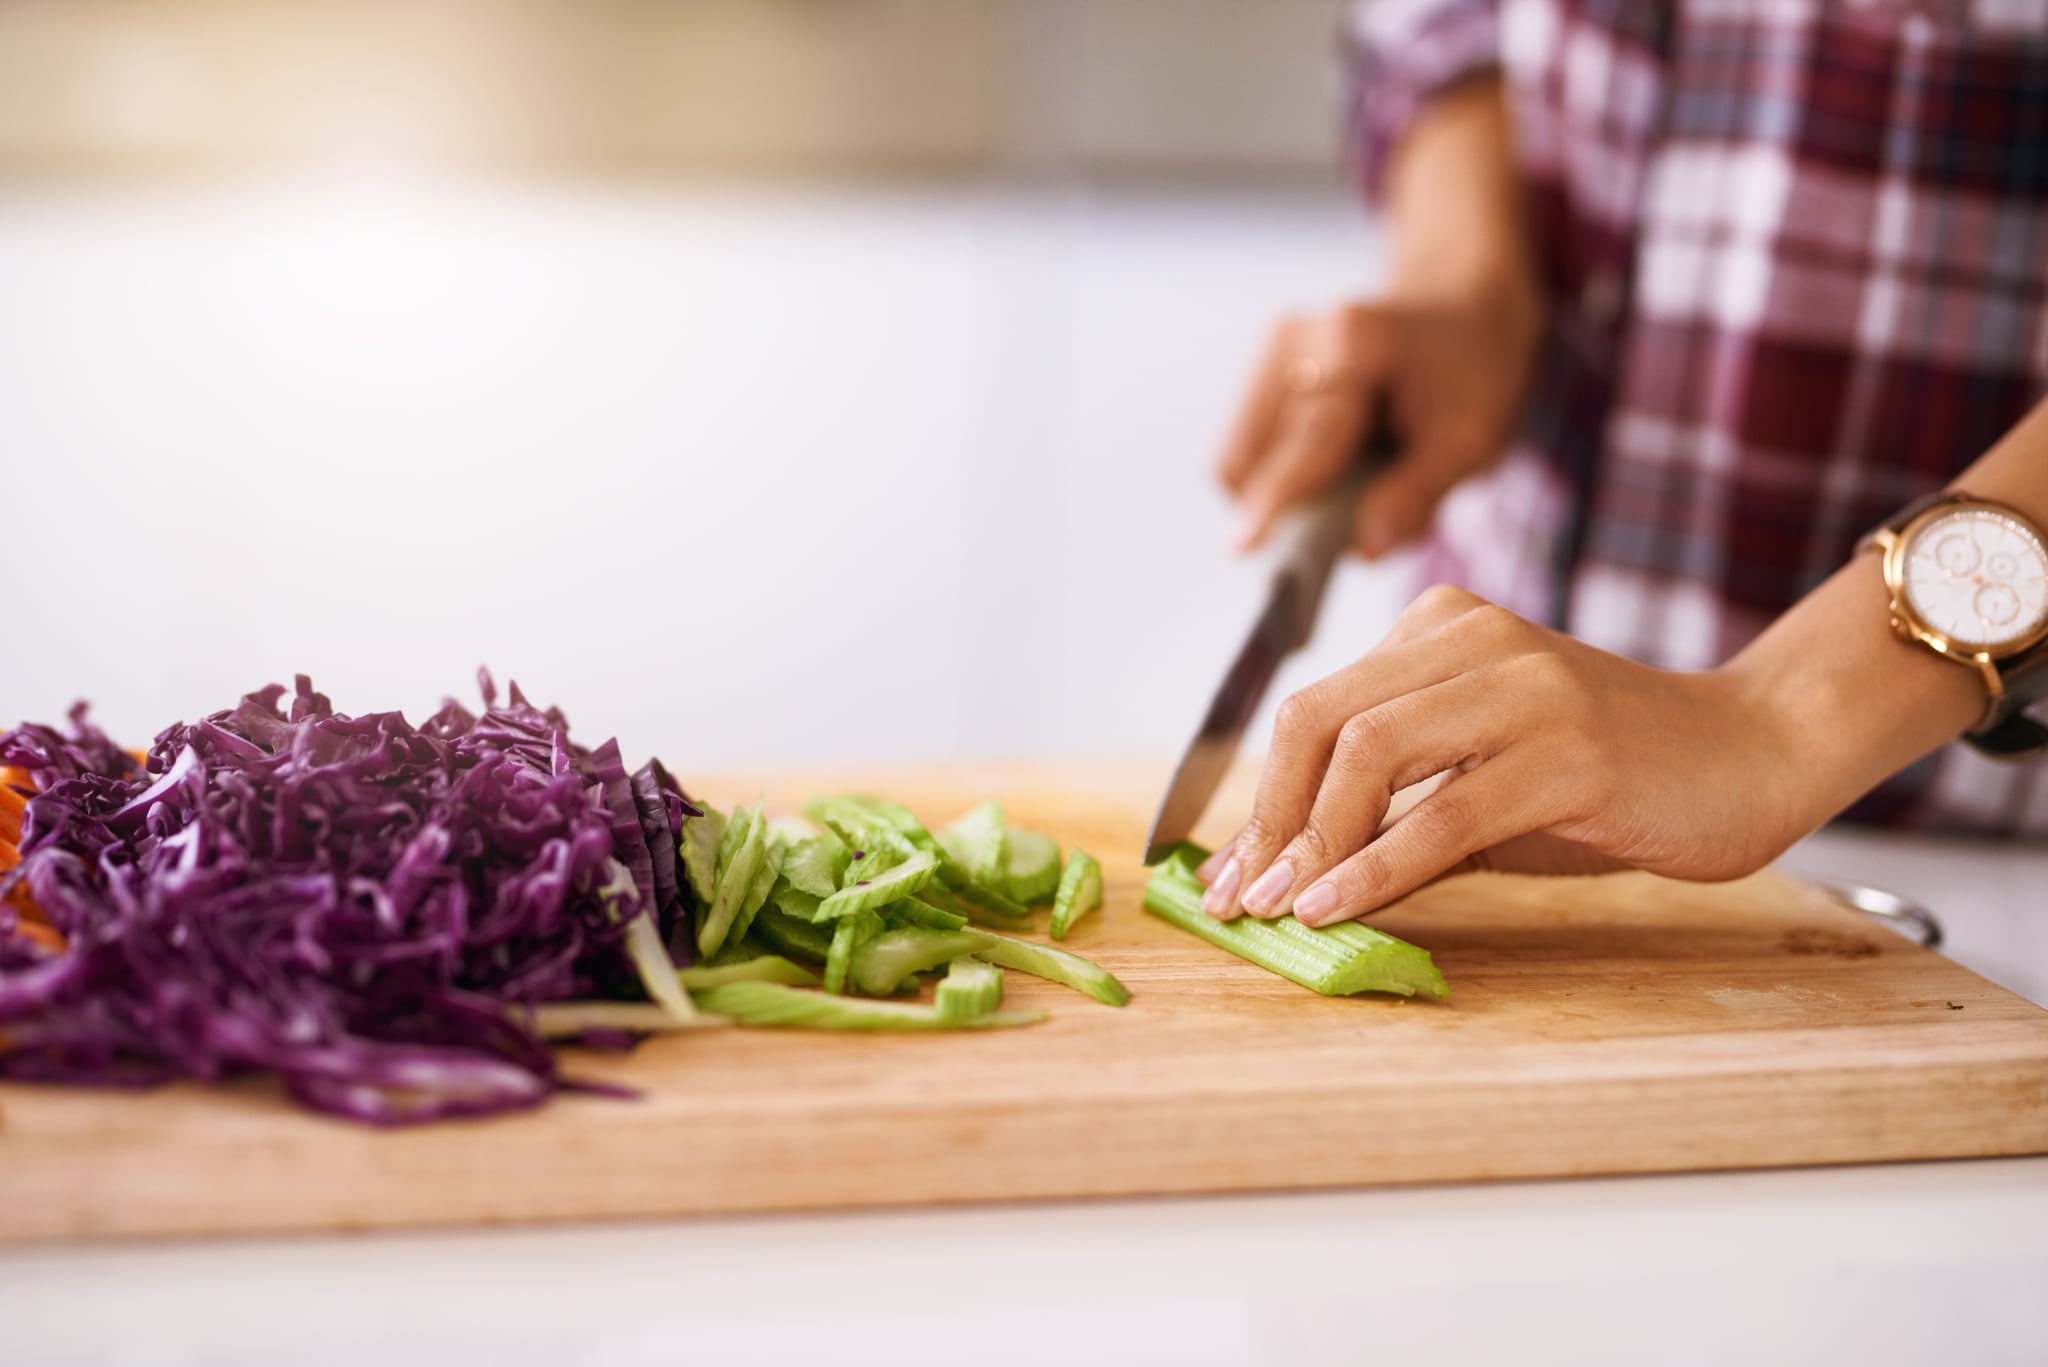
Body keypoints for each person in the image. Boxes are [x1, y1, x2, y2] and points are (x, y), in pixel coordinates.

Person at [1199, 1, 2048, 928]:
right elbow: (1437, 27)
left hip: (1979, 867)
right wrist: (1472, 280)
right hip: (1490, 813)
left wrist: (1779, 717)